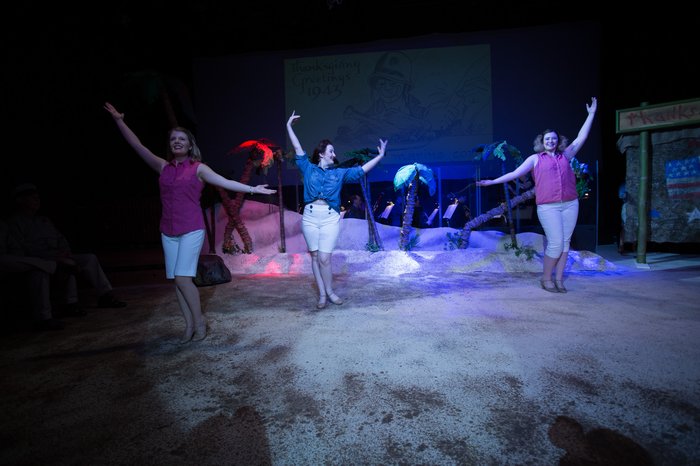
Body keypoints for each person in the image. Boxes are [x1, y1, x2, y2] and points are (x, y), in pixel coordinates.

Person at [104, 102, 276, 343]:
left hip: (191, 229)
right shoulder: (163, 167)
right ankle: (188, 326)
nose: (177, 142)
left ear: (189, 144)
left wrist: (253, 189)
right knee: (177, 281)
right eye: (173, 139)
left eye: (181, 139)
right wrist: (119, 121)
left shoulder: (198, 168)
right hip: (168, 230)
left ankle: (199, 321)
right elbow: (137, 146)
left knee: (183, 278)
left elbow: (225, 182)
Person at [476, 97, 597, 293]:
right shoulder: (535, 159)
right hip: (548, 207)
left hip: (570, 204)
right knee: (556, 243)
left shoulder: (566, 156)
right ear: (542, 142)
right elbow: (515, 174)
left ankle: (559, 279)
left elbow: (581, 137)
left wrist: (591, 114)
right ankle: (546, 278)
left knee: (565, 244)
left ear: (558, 141)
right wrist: (492, 182)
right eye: (547, 139)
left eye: (554, 139)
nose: (551, 141)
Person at [286, 110, 387, 309]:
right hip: (310, 218)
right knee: (315, 256)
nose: (334, 154)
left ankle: (330, 291)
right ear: (321, 153)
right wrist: (288, 126)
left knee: (325, 258)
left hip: (330, 218)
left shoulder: (339, 173)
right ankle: (323, 294)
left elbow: (361, 171)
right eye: (331, 151)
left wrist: (380, 156)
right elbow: (297, 147)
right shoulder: (308, 168)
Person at [6, 183, 127, 316]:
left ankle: (105, 295)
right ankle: (70, 304)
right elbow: (22, 251)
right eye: (31, 196)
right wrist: (54, 258)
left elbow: (60, 238)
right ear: (19, 200)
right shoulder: (14, 223)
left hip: (59, 255)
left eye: (37, 196)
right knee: (66, 266)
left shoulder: (44, 220)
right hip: (44, 260)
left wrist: (66, 252)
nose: (36, 199)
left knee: (89, 258)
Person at [0, 219, 63, 331]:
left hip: (13, 258)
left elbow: (16, 247)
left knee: (39, 271)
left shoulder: (4, 225)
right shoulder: (12, 224)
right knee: (41, 264)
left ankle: (44, 318)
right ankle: (54, 266)